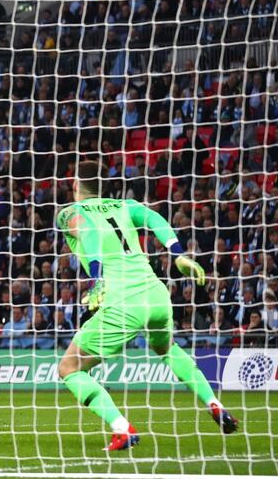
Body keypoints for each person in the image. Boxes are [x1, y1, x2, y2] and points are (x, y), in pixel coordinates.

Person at [56, 161, 238, 451]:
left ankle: (122, 429)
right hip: (156, 296)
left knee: (69, 368)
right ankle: (214, 403)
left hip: (121, 301)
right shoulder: (124, 205)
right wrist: (176, 254)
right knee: (167, 349)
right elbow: (154, 218)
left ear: (76, 186)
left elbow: (89, 236)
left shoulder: (69, 213)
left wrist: (97, 280)